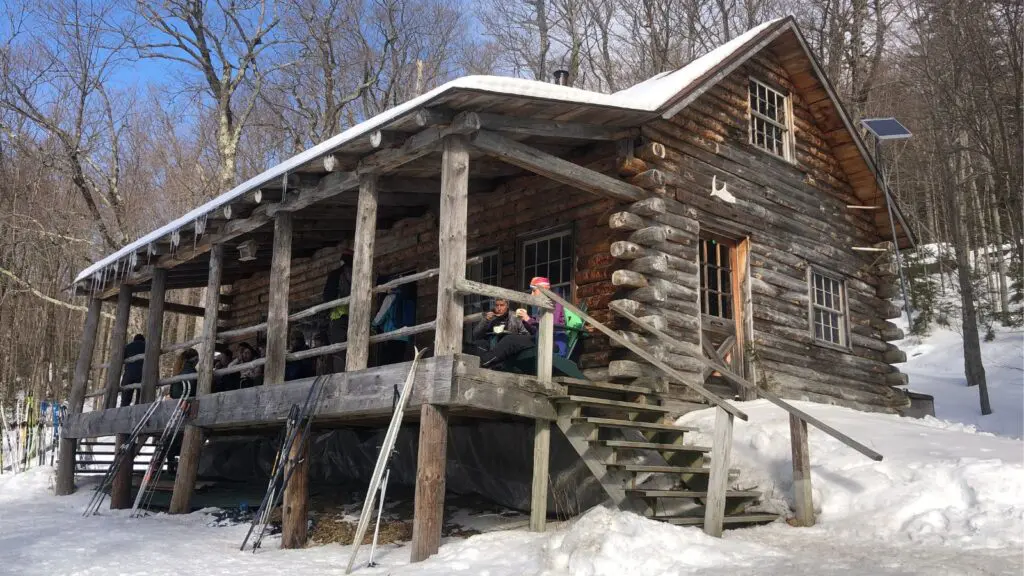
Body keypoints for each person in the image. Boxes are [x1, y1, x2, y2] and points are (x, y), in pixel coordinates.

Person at [323, 251, 353, 372]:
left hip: (338, 315)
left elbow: (328, 295)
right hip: (353, 315)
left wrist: (327, 310)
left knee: (338, 349)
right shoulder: (356, 273)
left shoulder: (336, 274)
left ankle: (340, 375)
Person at [119, 334, 146, 407]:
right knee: (140, 399)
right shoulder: (146, 346)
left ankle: (122, 412)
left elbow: (121, 358)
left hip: (128, 375)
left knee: (125, 399)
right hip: (142, 374)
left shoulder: (128, 347)